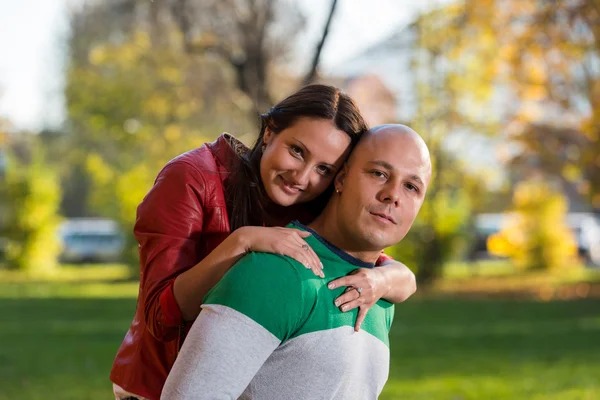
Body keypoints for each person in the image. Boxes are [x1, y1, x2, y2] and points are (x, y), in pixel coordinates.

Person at [110, 85, 418, 400]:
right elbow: (160, 319)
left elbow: (392, 271)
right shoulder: (191, 178)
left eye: (324, 169)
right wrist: (241, 241)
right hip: (156, 386)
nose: (302, 176)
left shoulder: (311, 197)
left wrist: (382, 279)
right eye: (297, 150)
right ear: (270, 132)